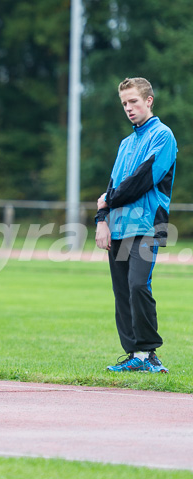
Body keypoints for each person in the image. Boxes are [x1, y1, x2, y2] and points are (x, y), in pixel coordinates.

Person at [95, 77, 177, 373]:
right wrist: (101, 220)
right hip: (117, 228)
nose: (129, 108)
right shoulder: (126, 143)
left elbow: (143, 179)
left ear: (149, 101)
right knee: (123, 292)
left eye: (134, 102)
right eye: (124, 104)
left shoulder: (163, 136)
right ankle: (135, 357)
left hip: (146, 227)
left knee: (138, 285)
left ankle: (150, 353)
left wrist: (108, 200)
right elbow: (112, 185)